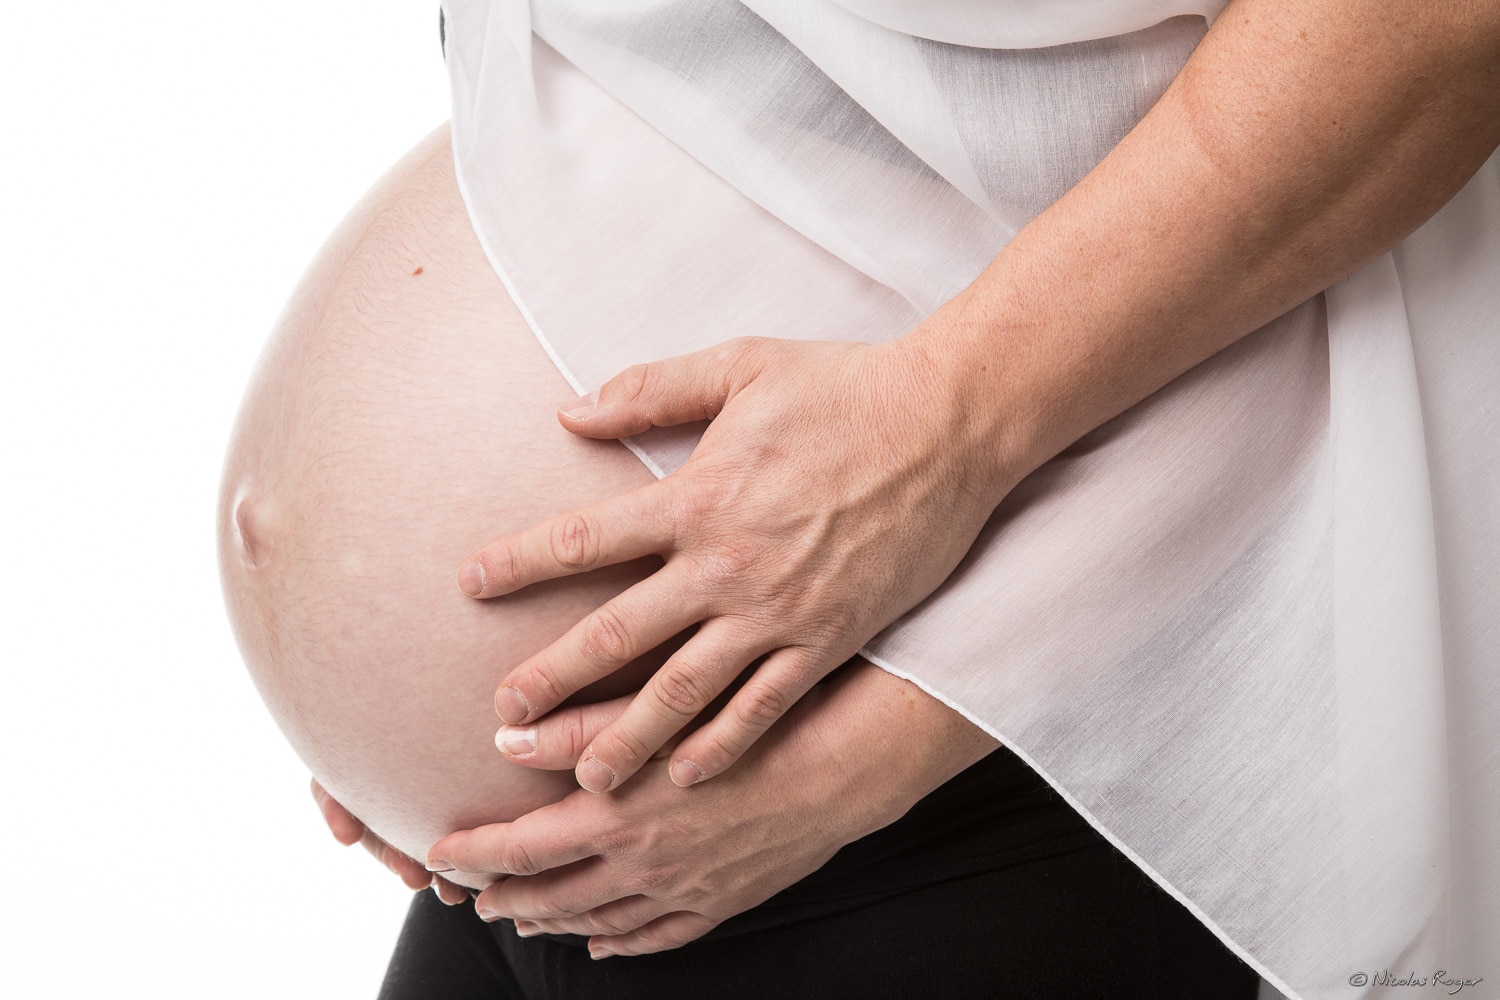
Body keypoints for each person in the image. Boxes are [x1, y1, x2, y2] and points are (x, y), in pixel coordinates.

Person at [222, 0, 1500, 996]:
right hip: (576, 847)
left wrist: (883, 741)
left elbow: (1418, 63)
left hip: (950, 787)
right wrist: (383, 706)